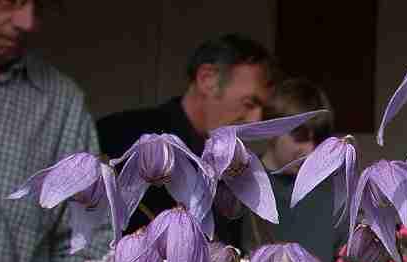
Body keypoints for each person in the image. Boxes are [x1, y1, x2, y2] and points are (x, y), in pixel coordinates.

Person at [97, 33, 275, 246]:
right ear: (207, 79)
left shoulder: (233, 161)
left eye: (264, 110)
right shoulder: (120, 133)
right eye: (249, 103)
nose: (256, 120)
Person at [0, 0, 109, 262]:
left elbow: (91, 235)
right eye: (10, 1)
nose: (27, 22)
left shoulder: (59, 100)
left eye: (37, 5)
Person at [245, 77, 344, 262]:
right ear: (272, 130)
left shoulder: (334, 193)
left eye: (319, 139)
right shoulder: (242, 183)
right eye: (300, 136)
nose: (310, 150)